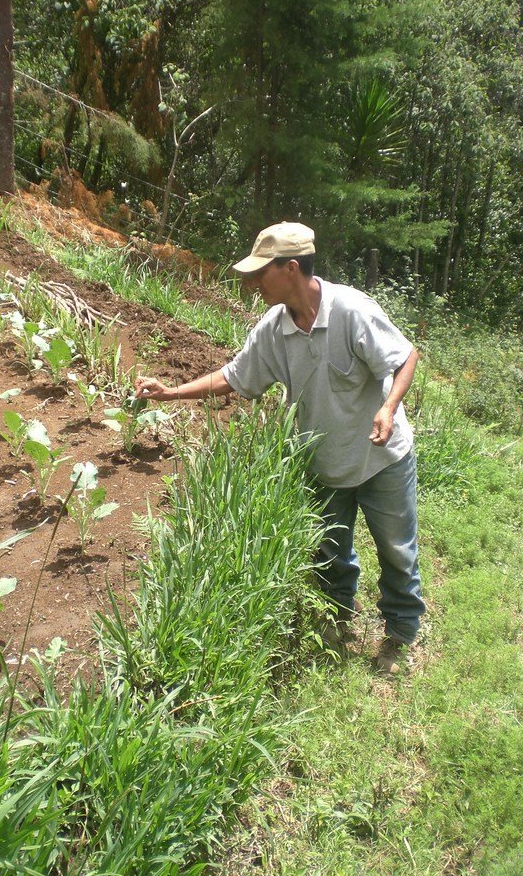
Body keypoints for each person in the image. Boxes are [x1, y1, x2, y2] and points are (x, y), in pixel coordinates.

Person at [134, 221, 425, 677]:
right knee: (331, 551)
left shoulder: (350, 310)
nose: (252, 284)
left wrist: (389, 407)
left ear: (291, 268)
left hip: (382, 459)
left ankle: (402, 634)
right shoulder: (274, 328)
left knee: (397, 551)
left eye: (260, 273)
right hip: (325, 465)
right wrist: (170, 392)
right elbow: (234, 377)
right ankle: (336, 620)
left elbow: (406, 355)